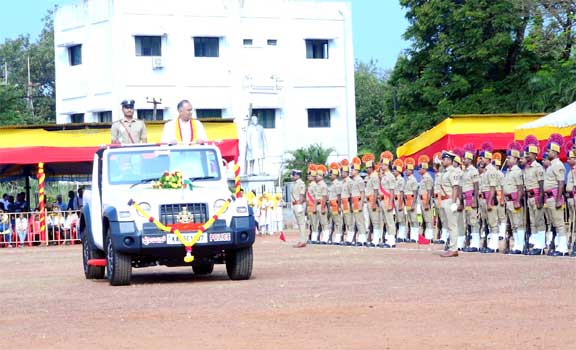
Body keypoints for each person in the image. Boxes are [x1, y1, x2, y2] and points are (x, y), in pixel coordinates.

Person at [543, 134, 569, 256]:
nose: (547, 152)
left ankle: (563, 247)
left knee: (559, 222)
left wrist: (558, 199)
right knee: (554, 222)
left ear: (555, 151)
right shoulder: (552, 165)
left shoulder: (558, 165)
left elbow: (561, 183)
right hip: (549, 198)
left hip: (554, 197)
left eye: (549, 151)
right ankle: (559, 245)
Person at [523, 135, 546, 255]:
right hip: (529, 197)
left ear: (534, 154)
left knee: (539, 221)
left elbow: (542, 184)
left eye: (529, 153)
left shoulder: (538, 167)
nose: (527, 155)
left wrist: (541, 199)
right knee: (532, 221)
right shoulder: (527, 168)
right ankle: (536, 243)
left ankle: (541, 245)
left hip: (537, 196)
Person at [503, 142, 525, 254]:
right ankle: (516, 244)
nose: (507, 159)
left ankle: (520, 246)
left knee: (518, 224)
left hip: (515, 200)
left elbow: (520, 188)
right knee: (513, 225)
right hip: (508, 201)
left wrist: (517, 201)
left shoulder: (517, 171)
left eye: (509, 158)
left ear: (516, 159)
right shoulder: (509, 171)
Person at [439, 151, 461, 257]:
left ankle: (453, 249)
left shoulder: (452, 172)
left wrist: (453, 202)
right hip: (445, 200)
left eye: (444, 159)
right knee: (449, 225)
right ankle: (452, 247)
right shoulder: (446, 171)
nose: (442, 161)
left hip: (449, 200)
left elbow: (455, 187)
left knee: (452, 225)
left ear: (449, 160)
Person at [460, 145, 481, 252]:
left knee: (473, 221)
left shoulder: (473, 171)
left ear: (469, 159)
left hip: (471, 198)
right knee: (466, 221)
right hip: (464, 198)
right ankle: (468, 242)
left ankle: (475, 243)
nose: (463, 160)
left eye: (465, 158)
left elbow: (476, 187)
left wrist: (475, 200)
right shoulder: (464, 171)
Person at [362, 154, 381, 246]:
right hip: (367, 201)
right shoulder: (368, 177)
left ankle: (376, 239)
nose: (367, 169)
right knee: (368, 221)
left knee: (375, 221)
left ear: (372, 168)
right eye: (366, 167)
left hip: (372, 201)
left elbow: (376, 190)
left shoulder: (374, 176)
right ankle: (369, 238)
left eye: (369, 167)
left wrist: (374, 203)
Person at [379, 152, 396, 248]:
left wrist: (390, 204)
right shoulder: (384, 176)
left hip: (387, 200)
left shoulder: (390, 176)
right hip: (382, 200)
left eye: (384, 164)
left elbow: (392, 191)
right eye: (382, 164)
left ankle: (392, 240)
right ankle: (388, 239)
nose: (382, 166)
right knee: (385, 220)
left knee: (390, 220)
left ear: (388, 165)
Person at [350, 157, 367, 246]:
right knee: (356, 220)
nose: (351, 171)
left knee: (360, 221)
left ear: (356, 170)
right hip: (354, 202)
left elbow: (362, 193)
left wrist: (361, 205)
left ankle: (362, 238)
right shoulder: (354, 180)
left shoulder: (360, 180)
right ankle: (361, 237)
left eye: (353, 170)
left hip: (358, 202)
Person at [417, 155, 434, 243]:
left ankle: (429, 236)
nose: (419, 170)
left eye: (420, 169)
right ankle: (427, 235)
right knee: (425, 219)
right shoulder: (423, 177)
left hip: (425, 200)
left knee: (428, 219)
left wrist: (427, 203)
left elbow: (429, 191)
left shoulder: (428, 178)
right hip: (422, 199)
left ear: (424, 169)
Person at [403, 157, 419, 243]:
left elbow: (415, 193)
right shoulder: (408, 179)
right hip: (407, 201)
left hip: (411, 200)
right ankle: (412, 236)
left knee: (414, 219)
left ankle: (415, 237)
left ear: (411, 171)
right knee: (410, 219)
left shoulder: (413, 180)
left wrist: (413, 204)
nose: (406, 171)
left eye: (407, 170)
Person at [290, 170, 307, 248]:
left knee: (302, 224)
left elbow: (302, 195)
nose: (292, 176)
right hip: (295, 204)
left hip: (298, 204)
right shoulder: (295, 183)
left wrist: (299, 204)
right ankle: (301, 240)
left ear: (298, 175)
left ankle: (303, 241)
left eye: (293, 175)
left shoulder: (301, 183)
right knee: (300, 224)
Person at [327, 162, 343, 244]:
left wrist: (339, 206)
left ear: (335, 174)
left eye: (331, 174)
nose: (330, 175)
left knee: (338, 222)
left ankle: (338, 237)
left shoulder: (337, 184)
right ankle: (335, 237)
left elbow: (339, 196)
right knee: (332, 222)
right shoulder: (332, 184)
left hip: (335, 205)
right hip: (331, 205)